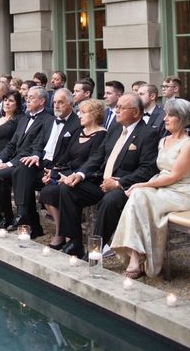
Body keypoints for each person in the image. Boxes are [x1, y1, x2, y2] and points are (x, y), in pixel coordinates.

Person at [55, 92, 159, 258]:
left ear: (136, 112)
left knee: (110, 200)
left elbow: (147, 169)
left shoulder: (148, 134)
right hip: (101, 181)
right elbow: (98, 155)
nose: (116, 111)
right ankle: (74, 242)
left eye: (121, 108)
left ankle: (97, 247)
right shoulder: (116, 128)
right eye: (116, 107)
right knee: (68, 189)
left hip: (125, 186)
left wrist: (118, 183)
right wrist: (80, 174)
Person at [111, 98, 190, 278]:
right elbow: (157, 171)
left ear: (181, 118)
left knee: (138, 194)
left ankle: (137, 256)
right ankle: (136, 255)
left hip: (180, 192)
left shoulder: (188, 145)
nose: (165, 118)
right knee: (138, 195)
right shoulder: (163, 140)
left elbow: (174, 176)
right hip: (161, 187)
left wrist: (142, 184)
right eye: (165, 114)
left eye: (170, 115)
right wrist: (139, 185)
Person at [7, 88, 82, 236]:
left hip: (58, 166)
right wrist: (35, 155)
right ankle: (23, 214)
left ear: (71, 104)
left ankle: (33, 224)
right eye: (54, 102)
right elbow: (39, 143)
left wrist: (54, 171)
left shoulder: (76, 124)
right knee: (22, 169)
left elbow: (71, 153)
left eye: (61, 102)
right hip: (43, 161)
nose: (56, 106)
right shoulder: (50, 120)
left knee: (22, 177)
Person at [0, 86, 52, 230]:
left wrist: (8, 165)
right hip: (17, 160)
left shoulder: (48, 120)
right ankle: (7, 216)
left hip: (32, 163)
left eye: (31, 97)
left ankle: (20, 216)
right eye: (27, 97)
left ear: (42, 101)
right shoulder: (24, 118)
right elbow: (11, 144)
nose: (27, 100)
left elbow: (36, 148)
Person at [39, 99, 107, 249]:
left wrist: (67, 177)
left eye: (83, 112)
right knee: (47, 192)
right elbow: (66, 157)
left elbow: (93, 163)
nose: (79, 115)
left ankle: (73, 239)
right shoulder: (79, 131)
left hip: (89, 181)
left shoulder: (102, 135)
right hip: (69, 175)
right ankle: (60, 233)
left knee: (66, 190)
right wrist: (54, 173)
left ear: (94, 115)